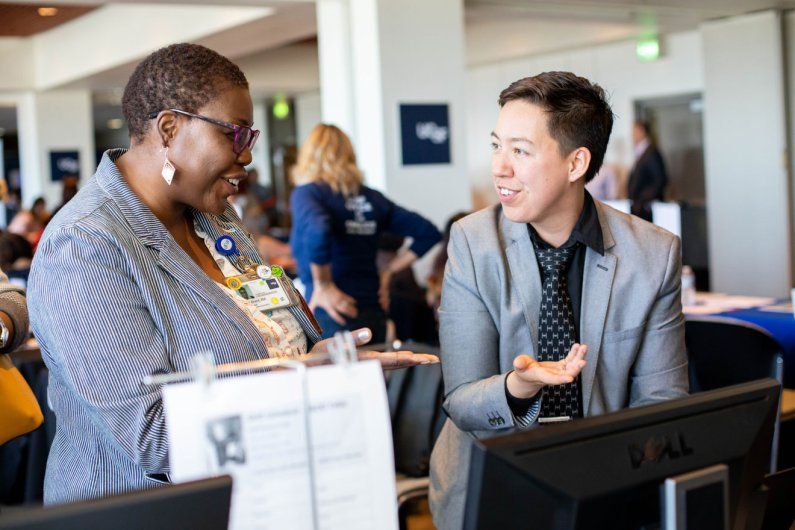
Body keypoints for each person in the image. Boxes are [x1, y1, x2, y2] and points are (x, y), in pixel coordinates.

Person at [27, 44, 435, 506]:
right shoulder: (86, 246)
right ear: (169, 128)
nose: (247, 157)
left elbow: (273, 341)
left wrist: (325, 365)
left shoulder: (216, 220)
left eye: (251, 137)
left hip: (269, 496)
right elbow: (156, 438)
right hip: (156, 513)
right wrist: (302, 380)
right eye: (235, 135)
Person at [428, 72, 688, 529]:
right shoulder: (473, 242)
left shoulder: (652, 254)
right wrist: (518, 387)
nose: (499, 167)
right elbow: (462, 401)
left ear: (576, 164)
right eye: (496, 145)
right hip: (490, 485)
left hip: (604, 487)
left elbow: (662, 403)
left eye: (520, 151)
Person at [290, 124, 442, 343]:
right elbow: (428, 232)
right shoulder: (373, 199)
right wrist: (388, 271)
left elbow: (318, 229)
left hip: (332, 313)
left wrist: (323, 284)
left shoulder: (308, 194)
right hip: (373, 314)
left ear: (309, 155)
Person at [627, 120, 667, 222]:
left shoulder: (652, 152)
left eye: (634, 131)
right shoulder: (641, 151)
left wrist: (642, 201)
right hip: (639, 207)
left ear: (642, 131)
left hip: (647, 209)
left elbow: (660, 180)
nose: (632, 135)